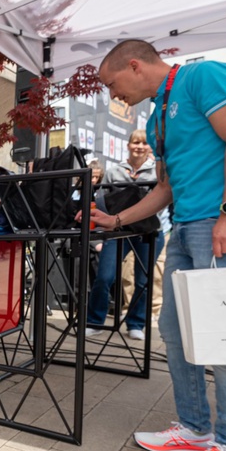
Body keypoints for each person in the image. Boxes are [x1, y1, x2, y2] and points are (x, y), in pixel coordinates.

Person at [87, 39, 226, 451]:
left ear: (134, 66)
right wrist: (115, 220)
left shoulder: (203, 76)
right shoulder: (156, 117)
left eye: (113, 85)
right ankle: (194, 427)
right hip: (188, 222)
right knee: (174, 328)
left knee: (225, 334)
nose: (114, 96)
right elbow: (164, 189)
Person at [84, 130, 163, 341]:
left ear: (149, 147)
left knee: (143, 280)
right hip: (118, 231)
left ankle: (136, 324)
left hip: (148, 232)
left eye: (144, 143)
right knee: (104, 277)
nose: (139, 146)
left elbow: (163, 201)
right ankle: (95, 321)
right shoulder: (113, 171)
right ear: (128, 145)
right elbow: (102, 200)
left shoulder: (157, 171)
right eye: (135, 142)